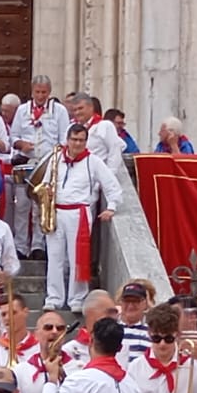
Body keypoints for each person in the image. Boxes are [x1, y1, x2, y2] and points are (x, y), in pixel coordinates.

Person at [43, 124, 121, 312]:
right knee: (54, 257)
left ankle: (77, 299)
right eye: (74, 139)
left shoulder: (93, 161)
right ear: (67, 140)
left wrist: (111, 207)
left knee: (78, 257)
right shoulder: (55, 159)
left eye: (81, 140)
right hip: (56, 212)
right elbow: (46, 183)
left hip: (78, 213)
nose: (77, 144)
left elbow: (112, 185)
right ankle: (53, 298)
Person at [10, 75, 71, 256]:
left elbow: (63, 138)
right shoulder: (22, 110)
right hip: (26, 163)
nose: (41, 96)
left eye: (44, 92)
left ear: (49, 92)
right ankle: (20, 246)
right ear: (32, 91)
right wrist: (21, 144)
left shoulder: (59, 111)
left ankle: (38, 245)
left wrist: (55, 158)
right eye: (37, 92)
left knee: (40, 205)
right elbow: (12, 137)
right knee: (21, 205)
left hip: (46, 165)